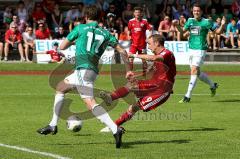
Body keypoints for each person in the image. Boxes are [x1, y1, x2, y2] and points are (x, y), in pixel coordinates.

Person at [37, 6, 133, 149]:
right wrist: (128, 70)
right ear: (99, 17)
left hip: (83, 69)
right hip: (92, 70)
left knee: (90, 103)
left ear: (86, 16)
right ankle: (53, 124)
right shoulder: (106, 33)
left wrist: (75, 40)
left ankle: (115, 128)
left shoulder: (80, 28)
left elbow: (62, 46)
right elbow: (123, 51)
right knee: (61, 88)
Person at [99, 34, 176, 132]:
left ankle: (114, 126)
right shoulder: (159, 57)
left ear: (156, 43)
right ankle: (110, 98)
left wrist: (133, 55)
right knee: (131, 85)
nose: (148, 46)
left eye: (149, 43)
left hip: (161, 91)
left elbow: (154, 58)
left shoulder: (167, 53)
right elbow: (149, 72)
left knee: (135, 107)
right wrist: (136, 76)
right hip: (154, 84)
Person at [176, 4, 225, 103]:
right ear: (192, 11)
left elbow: (218, 32)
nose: (196, 12)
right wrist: (177, 25)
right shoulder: (190, 21)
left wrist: (223, 25)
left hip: (201, 49)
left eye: (198, 11)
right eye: (194, 11)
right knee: (197, 73)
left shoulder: (206, 22)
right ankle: (212, 85)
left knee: (193, 71)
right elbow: (182, 33)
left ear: (201, 12)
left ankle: (187, 96)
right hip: (191, 49)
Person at [128, 7, 152, 77]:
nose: (137, 14)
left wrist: (148, 38)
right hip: (133, 44)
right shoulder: (131, 21)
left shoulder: (144, 21)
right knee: (130, 59)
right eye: (136, 12)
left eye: (139, 12)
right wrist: (129, 36)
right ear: (134, 13)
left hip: (142, 45)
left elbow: (150, 29)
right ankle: (130, 75)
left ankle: (144, 75)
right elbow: (128, 30)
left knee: (144, 60)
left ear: (141, 13)